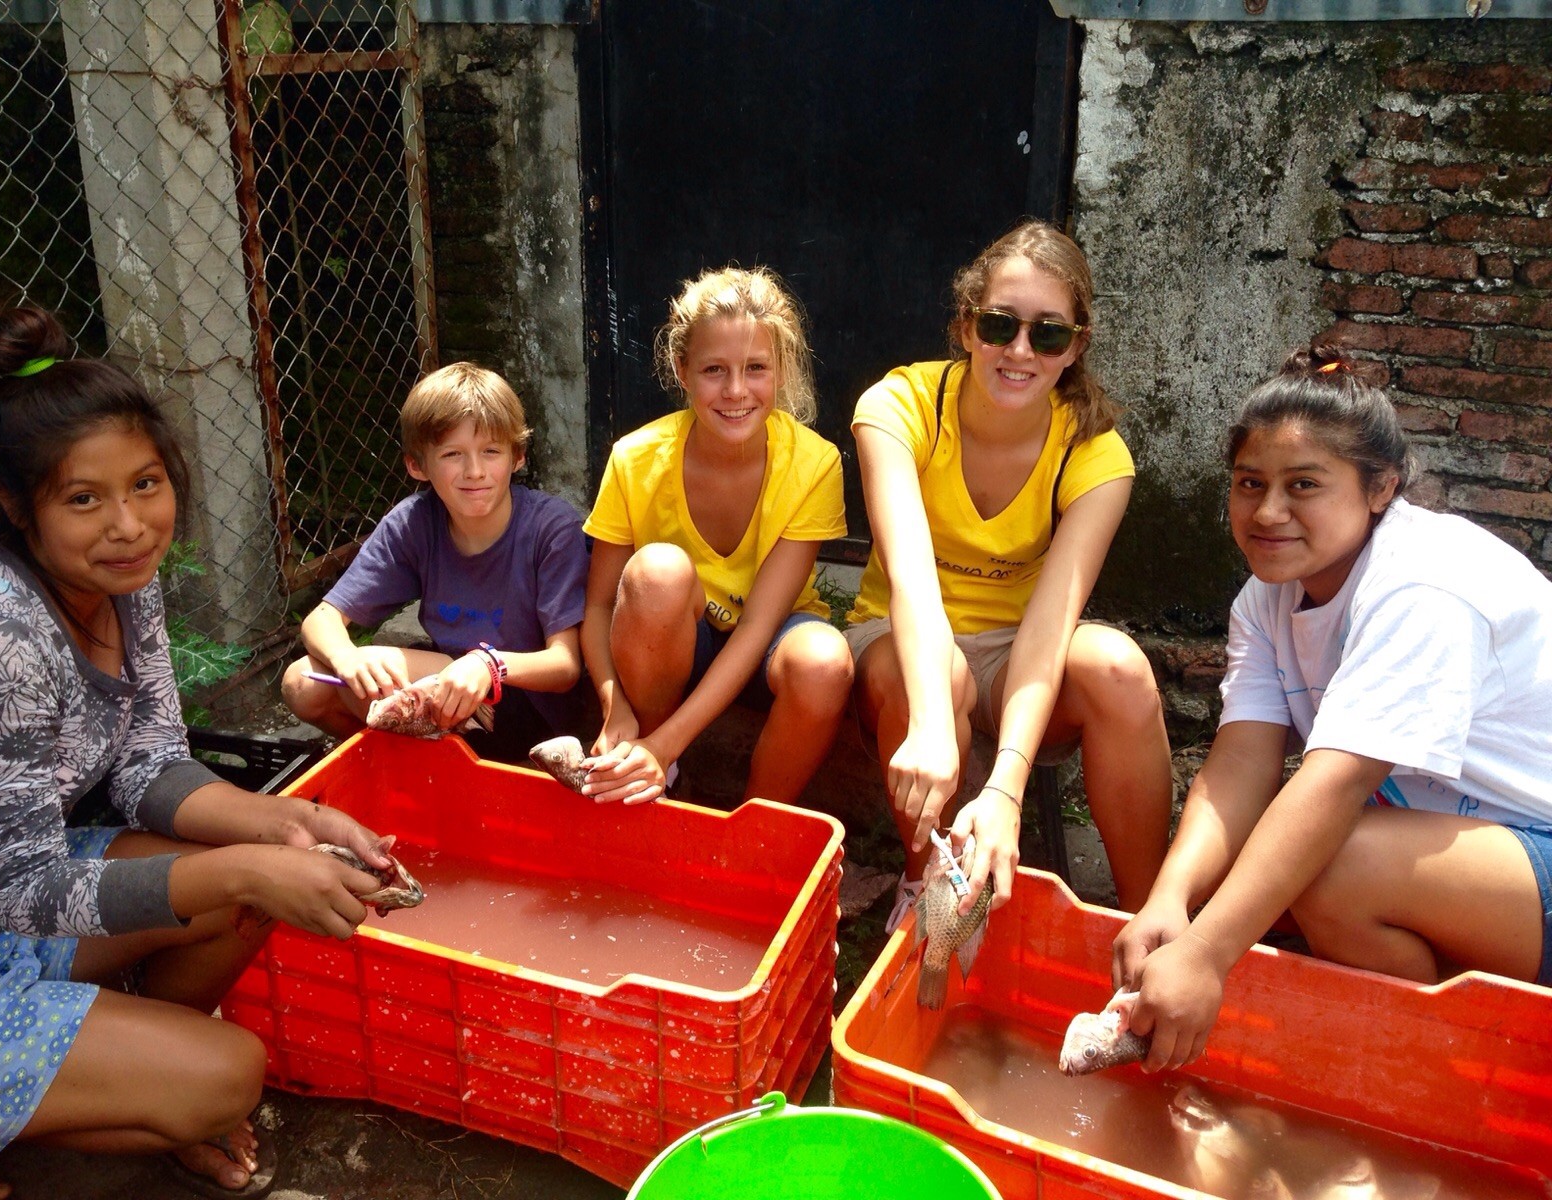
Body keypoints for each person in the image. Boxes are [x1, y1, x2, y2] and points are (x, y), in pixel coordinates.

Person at [0, 305, 394, 1198]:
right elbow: (28, 889)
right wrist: (244, 872)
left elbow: (148, 764)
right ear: (15, 506)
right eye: (84, 498)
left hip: (7, 915)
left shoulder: (121, 584)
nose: (130, 524)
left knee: (271, 861)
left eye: (146, 484)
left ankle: (126, 1076)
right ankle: (141, 1089)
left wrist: (293, 819)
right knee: (230, 1071)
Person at [1113, 348, 1552, 1072]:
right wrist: (1170, 899)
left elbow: (1336, 783)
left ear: (1380, 488)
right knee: (1240, 882)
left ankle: (1467, 1068)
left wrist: (1204, 955)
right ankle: (1418, 1037)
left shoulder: (1423, 587)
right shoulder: (1268, 596)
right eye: (1249, 484)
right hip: (1469, 853)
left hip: (1535, 844)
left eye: (1303, 486)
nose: (1268, 512)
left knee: (1324, 868)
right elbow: (1241, 761)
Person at [845, 220, 1172, 930]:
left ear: (1075, 346)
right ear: (967, 327)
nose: (1019, 350)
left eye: (1047, 334)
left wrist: (1006, 787)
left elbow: (1052, 622)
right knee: (934, 681)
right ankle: (924, 885)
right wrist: (933, 719)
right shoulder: (899, 407)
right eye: (1000, 325)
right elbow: (911, 580)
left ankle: (1149, 923)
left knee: (1117, 666)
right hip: (902, 636)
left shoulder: (1093, 453)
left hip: (1017, 650)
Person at [580, 266, 854, 806]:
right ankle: (663, 780)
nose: (735, 391)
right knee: (657, 572)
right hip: (676, 645)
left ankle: (757, 823)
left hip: (768, 642)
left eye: (756, 368)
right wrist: (617, 708)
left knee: (824, 662)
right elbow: (595, 610)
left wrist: (664, 741)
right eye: (713, 369)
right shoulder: (635, 459)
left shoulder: (814, 463)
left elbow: (757, 626)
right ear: (682, 371)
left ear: (779, 372)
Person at [282, 363, 588, 761]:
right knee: (303, 682)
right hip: (447, 685)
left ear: (517, 457)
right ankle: (410, 768)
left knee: (385, 663)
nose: (475, 471)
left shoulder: (552, 529)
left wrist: (487, 664)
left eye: (491, 452)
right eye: (452, 454)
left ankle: (453, 766)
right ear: (417, 466)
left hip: (529, 710)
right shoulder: (415, 522)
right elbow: (322, 619)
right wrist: (347, 659)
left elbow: (565, 666)